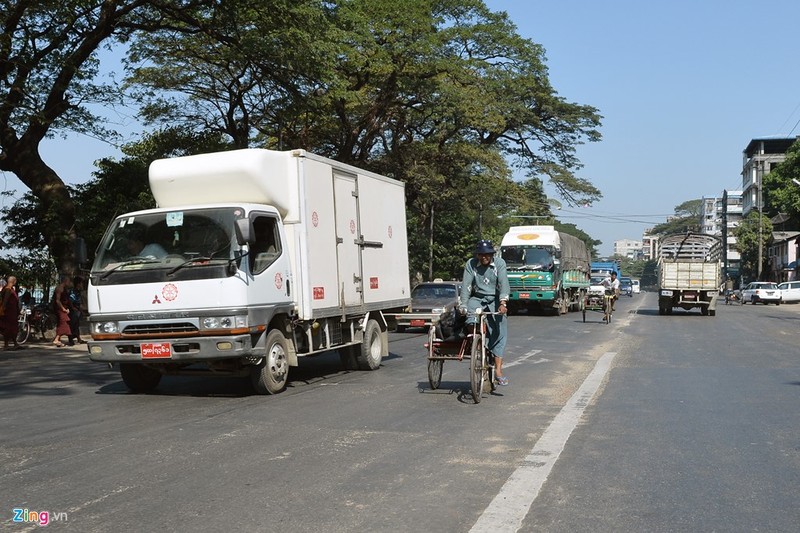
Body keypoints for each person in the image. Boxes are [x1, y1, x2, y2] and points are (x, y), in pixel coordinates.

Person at [460, 239, 511, 386]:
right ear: (477, 255)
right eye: (481, 255)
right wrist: (463, 304)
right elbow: (466, 286)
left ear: (492, 255)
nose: (484, 258)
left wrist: (503, 303)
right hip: (478, 299)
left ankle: (498, 371)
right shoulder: (471, 264)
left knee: (501, 331)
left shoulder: (499, 264)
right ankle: (477, 342)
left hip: (495, 300)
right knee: (470, 316)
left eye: (487, 255)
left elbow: (503, 284)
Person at [0, 276, 22, 350]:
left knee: (11, 328)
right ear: (14, 281)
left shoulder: (10, 289)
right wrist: (2, 309)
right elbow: (5, 300)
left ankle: (15, 343)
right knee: (9, 328)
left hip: (12, 312)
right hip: (8, 312)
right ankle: (7, 344)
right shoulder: (8, 289)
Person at [52, 274, 74, 347]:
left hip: (63, 308)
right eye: (68, 281)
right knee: (64, 322)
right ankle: (56, 339)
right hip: (60, 309)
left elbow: (67, 299)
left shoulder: (64, 289)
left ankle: (58, 339)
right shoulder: (60, 288)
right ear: (65, 281)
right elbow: (57, 301)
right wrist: (63, 309)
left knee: (61, 323)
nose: (69, 283)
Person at [68, 277, 86, 344]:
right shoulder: (73, 291)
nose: (82, 285)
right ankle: (71, 339)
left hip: (77, 308)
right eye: (81, 283)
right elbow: (70, 300)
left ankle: (78, 338)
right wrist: (73, 308)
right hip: (74, 309)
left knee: (76, 324)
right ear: (78, 284)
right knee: (73, 324)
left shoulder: (78, 291)